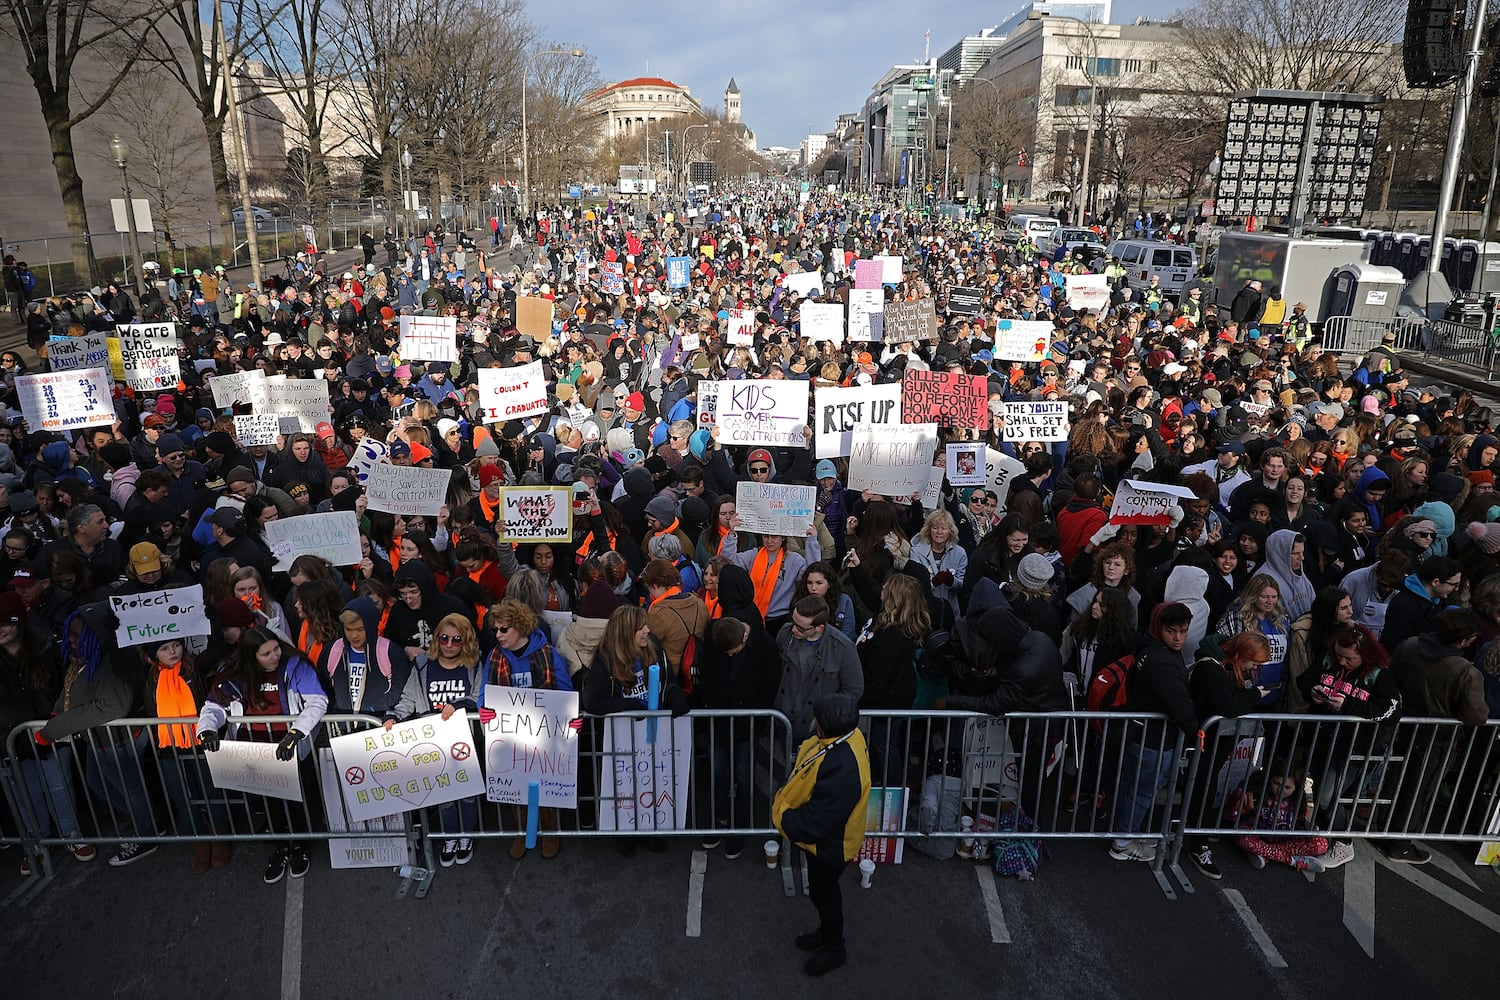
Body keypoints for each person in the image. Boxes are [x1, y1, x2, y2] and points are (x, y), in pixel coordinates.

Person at [196, 626, 329, 884]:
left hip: (288, 747)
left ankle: (300, 847)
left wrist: (296, 733)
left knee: (296, 800)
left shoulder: (295, 666)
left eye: (276, 648)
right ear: (250, 656)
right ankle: (280, 848)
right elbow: (214, 706)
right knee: (268, 802)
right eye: (266, 653)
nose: (274, 656)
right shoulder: (235, 673)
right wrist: (208, 730)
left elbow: (317, 701)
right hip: (252, 750)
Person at [771, 693, 871, 978]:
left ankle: (834, 947)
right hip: (831, 841)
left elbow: (815, 822)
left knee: (824, 895)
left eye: (818, 719)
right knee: (823, 893)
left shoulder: (842, 769)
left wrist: (783, 817)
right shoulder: (849, 739)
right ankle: (827, 934)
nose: (813, 722)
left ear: (826, 728)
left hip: (831, 847)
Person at [385, 614, 484, 868]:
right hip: (433, 742)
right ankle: (450, 838)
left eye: (457, 639)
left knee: (468, 794)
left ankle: (467, 837)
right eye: (444, 638)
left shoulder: (474, 664)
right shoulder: (422, 664)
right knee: (444, 797)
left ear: (466, 641)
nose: (450, 644)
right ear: (437, 638)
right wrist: (394, 716)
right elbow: (408, 698)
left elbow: (479, 696)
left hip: (465, 741)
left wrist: (461, 704)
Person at [482, 598, 573, 860]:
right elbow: (484, 691)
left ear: (520, 628)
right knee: (514, 785)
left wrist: (569, 717)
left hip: (544, 734)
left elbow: (565, 689)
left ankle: (550, 830)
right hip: (510, 734)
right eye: (495, 630)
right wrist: (485, 709)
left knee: (545, 782)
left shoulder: (546, 653)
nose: (498, 635)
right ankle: (522, 831)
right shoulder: (495, 655)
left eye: (503, 629)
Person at [1109, 602, 1197, 863]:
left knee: (1132, 789)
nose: (1179, 638)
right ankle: (1122, 842)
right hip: (1155, 740)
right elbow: (1180, 707)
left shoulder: (1148, 648)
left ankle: (1124, 833)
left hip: (1144, 736)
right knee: (1142, 792)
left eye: (1183, 631)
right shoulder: (1163, 662)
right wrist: (1193, 727)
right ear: (1161, 629)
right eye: (1173, 631)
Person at [774, 595, 864, 743]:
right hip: (784, 720)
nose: (794, 629)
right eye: (793, 622)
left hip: (817, 728)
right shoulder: (785, 633)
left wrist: (827, 716)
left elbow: (853, 689)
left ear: (819, 627)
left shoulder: (843, 648)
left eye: (801, 628)